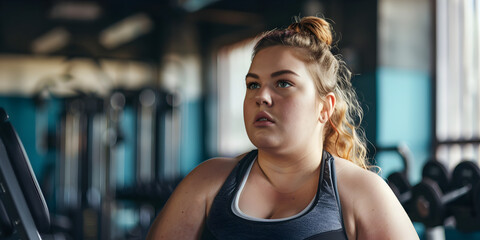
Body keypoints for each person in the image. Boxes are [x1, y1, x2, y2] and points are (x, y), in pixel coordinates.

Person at [147, 16, 419, 240]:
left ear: (324, 107)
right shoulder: (207, 182)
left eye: (283, 83)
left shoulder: (363, 193)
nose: (261, 96)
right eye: (253, 84)